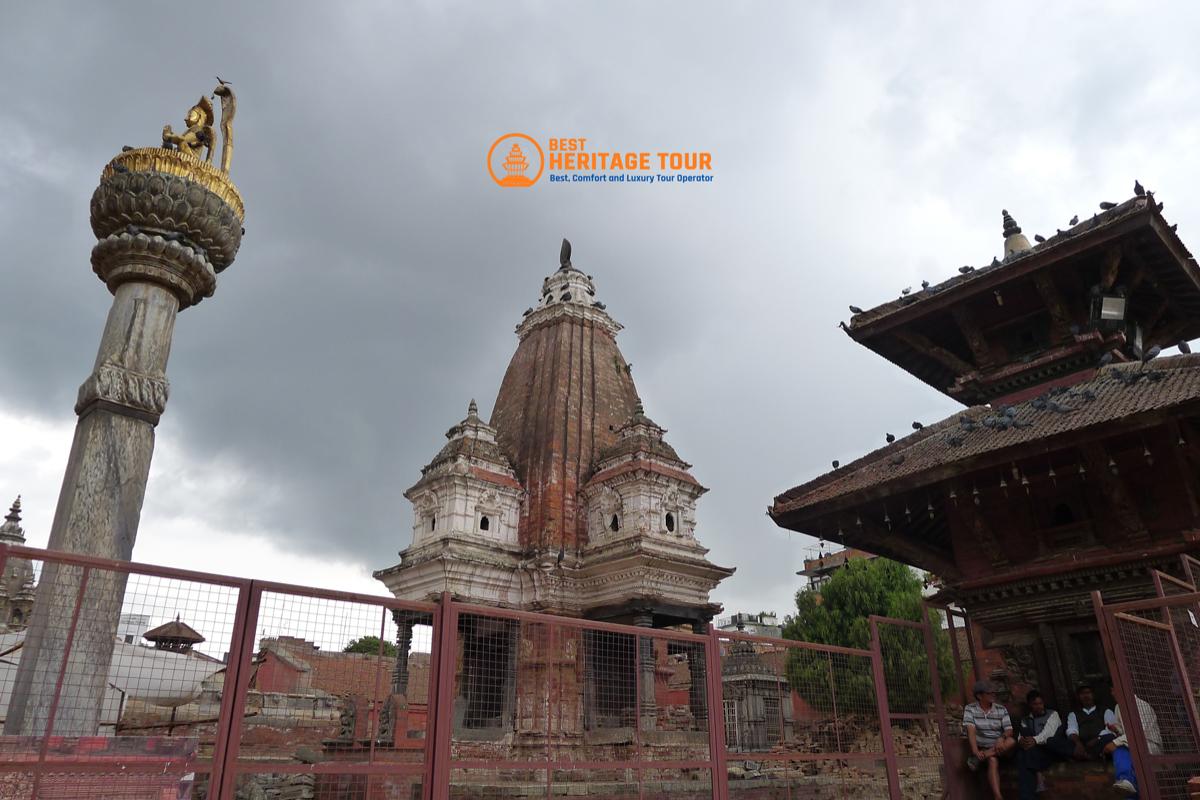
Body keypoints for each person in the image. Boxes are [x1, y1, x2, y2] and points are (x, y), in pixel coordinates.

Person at [964, 680, 1016, 800]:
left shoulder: (1001, 709)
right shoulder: (970, 709)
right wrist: (975, 750)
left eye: (994, 693)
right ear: (979, 696)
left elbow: (1009, 730)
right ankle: (998, 797)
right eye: (989, 693)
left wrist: (1001, 738)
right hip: (983, 747)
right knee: (992, 761)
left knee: (1012, 741)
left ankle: (978, 758)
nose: (993, 695)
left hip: (1002, 746)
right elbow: (970, 730)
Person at [1016, 690, 1072, 800]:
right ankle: (1033, 787)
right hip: (1032, 751)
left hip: (1048, 750)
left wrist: (1034, 740)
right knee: (1022, 754)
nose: (1039, 706)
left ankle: (1028, 794)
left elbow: (1048, 733)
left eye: (1040, 703)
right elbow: (1020, 736)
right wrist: (1021, 741)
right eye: (1035, 704)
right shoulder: (1025, 719)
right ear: (1030, 705)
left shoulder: (1052, 714)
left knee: (1024, 757)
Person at [1104, 696, 1162, 797]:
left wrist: (1115, 742)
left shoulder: (1141, 705)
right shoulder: (1118, 706)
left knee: (1119, 749)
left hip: (1148, 744)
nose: (1112, 694)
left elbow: (1139, 732)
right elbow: (1124, 732)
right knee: (1130, 786)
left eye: (1113, 691)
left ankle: (1125, 779)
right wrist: (1116, 730)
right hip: (1131, 745)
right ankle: (1126, 782)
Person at [1064, 684, 1116, 760]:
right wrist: (1078, 743)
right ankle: (1086, 754)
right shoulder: (1073, 714)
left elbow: (1111, 729)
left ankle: (1089, 756)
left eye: (1088, 693)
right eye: (1082, 694)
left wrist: (1097, 739)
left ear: (1093, 695)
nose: (1085, 696)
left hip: (1099, 741)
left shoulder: (1105, 711)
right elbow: (1072, 730)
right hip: (1082, 743)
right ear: (1079, 697)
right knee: (1054, 741)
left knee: (1110, 737)